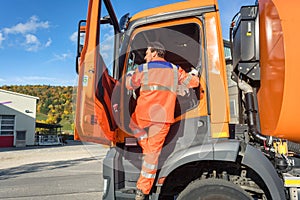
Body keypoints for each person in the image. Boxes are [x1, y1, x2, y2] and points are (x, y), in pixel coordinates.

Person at [126, 41, 199, 200]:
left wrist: (130, 74)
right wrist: (194, 74)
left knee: (131, 123)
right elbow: (194, 83)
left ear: (154, 53)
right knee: (152, 154)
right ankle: (142, 190)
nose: (145, 56)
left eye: (147, 52)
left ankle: (144, 142)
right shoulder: (174, 70)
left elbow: (129, 85)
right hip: (161, 120)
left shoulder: (143, 69)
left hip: (141, 117)